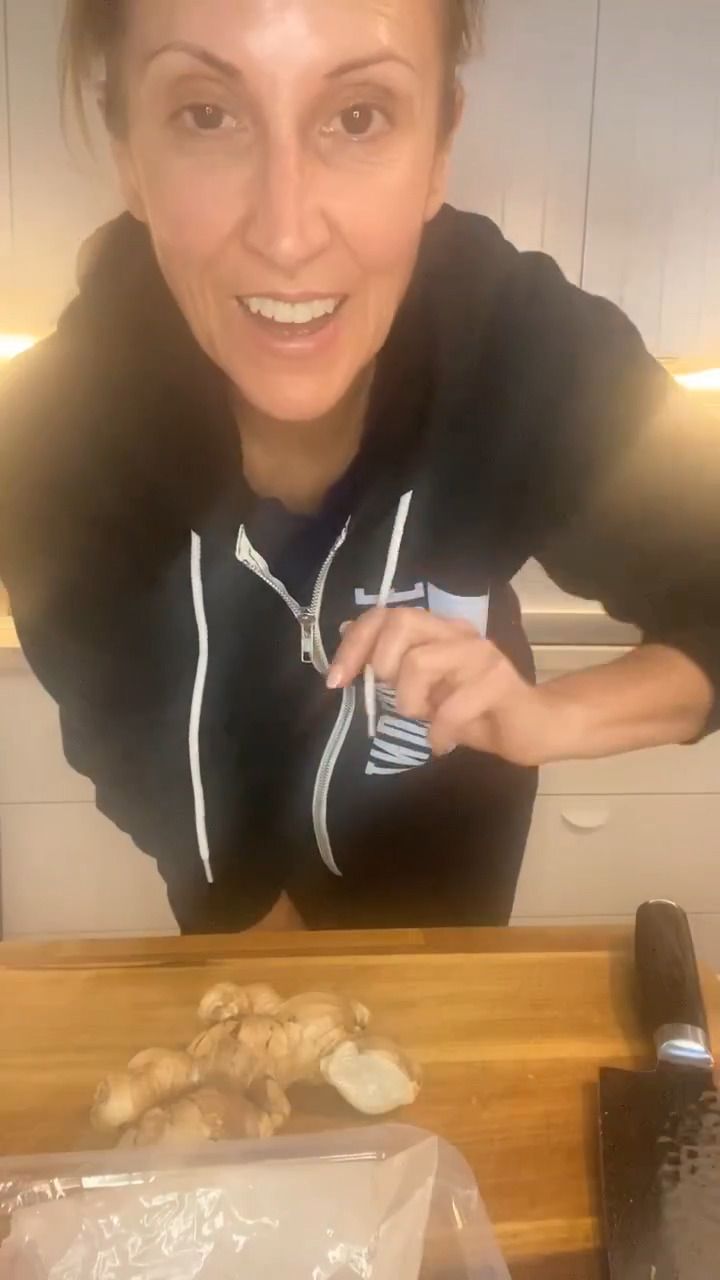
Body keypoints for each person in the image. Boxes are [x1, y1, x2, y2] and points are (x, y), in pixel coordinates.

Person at [1, 0, 719, 935]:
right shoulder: (53, 448)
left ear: (439, 147)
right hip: (229, 918)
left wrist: (552, 718)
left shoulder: (518, 349)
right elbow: (135, 751)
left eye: (358, 115)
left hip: (452, 905)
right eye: (206, 115)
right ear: (131, 153)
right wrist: (265, 980)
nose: (287, 235)